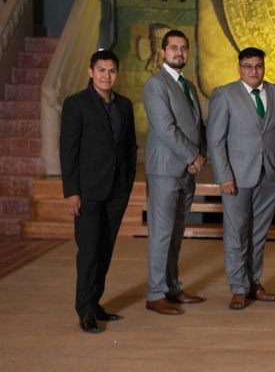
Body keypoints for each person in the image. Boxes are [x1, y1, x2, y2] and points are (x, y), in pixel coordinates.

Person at [207, 47, 275, 310]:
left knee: (258, 234)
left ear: (264, 67)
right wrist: (223, 175)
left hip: (270, 175)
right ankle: (238, 288)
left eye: (258, 66)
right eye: (247, 66)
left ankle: (254, 283)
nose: (253, 71)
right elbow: (215, 140)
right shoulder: (224, 94)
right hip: (236, 177)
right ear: (238, 67)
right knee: (236, 233)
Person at [60, 50, 137, 333]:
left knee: (105, 250)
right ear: (91, 71)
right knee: (89, 251)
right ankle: (85, 311)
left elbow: (129, 147)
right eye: (101, 70)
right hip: (88, 190)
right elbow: (68, 151)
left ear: (118, 73)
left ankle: (95, 303)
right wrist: (72, 191)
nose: (107, 76)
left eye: (112, 71)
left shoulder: (124, 105)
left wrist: (127, 182)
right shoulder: (76, 104)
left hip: (117, 189)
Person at [143, 29, 207, 315]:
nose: (179, 52)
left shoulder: (189, 86)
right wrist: (194, 155)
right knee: (161, 233)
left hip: (186, 170)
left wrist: (199, 157)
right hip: (165, 170)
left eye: (183, 48)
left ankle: (171, 287)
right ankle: (155, 294)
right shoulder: (155, 85)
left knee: (176, 233)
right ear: (163, 52)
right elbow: (165, 128)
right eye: (173, 48)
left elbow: (197, 125)